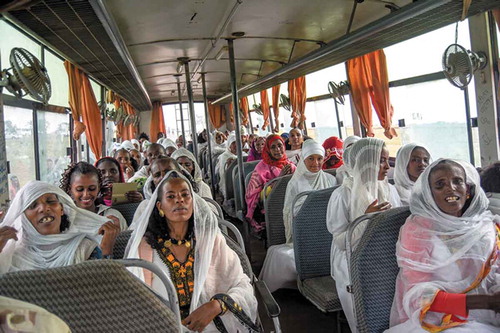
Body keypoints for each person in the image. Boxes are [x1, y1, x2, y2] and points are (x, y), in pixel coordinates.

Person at [125, 171, 258, 332]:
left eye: (185, 195)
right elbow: (136, 301)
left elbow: (241, 284)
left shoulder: (210, 241)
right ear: (160, 207)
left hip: (211, 325)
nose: (179, 200)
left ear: (194, 202)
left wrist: (217, 305)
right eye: (171, 196)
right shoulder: (145, 247)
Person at [386, 159, 500, 332]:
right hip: (439, 318)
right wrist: (485, 302)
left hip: (490, 312)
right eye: (440, 185)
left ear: (467, 190)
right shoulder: (418, 231)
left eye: (457, 181)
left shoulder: (486, 226)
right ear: (429, 195)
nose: (451, 188)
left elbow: (495, 273)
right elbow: (418, 298)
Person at [327, 138, 401, 332]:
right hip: (351, 256)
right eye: (381, 161)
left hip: (386, 250)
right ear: (366, 162)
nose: (387, 166)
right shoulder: (343, 195)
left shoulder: (388, 189)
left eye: (387, 160)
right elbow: (341, 241)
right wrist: (364, 219)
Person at [259, 139, 336, 292]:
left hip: (329, 231)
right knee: (283, 256)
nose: (316, 163)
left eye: (319, 158)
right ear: (304, 160)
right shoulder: (295, 183)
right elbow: (290, 213)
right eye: (311, 159)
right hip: (305, 233)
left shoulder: (331, 180)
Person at [0, 181, 120, 273]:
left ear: (61, 209)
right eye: (33, 205)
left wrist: (106, 250)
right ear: (24, 218)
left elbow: (103, 291)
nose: (44, 208)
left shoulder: (83, 248)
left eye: (51, 201)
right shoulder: (12, 257)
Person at [245, 135, 295, 231]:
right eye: (273, 147)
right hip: (271, 206)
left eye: (280, 145)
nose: (277, 149)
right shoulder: (261, 168)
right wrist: (279, 180)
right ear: (268, 149)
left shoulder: (289, 165)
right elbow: (258, 197)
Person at [60, 162, 127, 231]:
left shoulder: (112, 216)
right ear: (70, 189)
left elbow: (128, 240)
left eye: (92, 188)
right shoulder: (64, 219)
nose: (86, 194)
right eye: (80, 189)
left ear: (98, 187)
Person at [217, 133, 238, 199]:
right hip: (230, 182)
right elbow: (223, 173)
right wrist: (228, 166)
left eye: (237, 142)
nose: (236, 145)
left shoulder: (243, 154)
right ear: (229, 145)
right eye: (233, 143)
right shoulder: (224, 156)